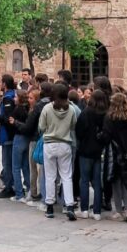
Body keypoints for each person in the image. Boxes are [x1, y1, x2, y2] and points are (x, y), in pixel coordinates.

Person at [39, 83, 77, 220]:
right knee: (66, 176)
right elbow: (73, 125)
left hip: (49, 143)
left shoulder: (47, 108)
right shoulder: (71, 109)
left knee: (50, 176)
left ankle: (49, 206)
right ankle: (69, 205)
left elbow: (41, 126)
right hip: (65, 143)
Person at [100, 93, 127, 223]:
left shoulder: (109, 118)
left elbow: (106, 136)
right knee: (125, 182)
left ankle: (118, 210)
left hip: (114, 152)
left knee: (115, 181)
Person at [75, 90, 108, 220]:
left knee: (84, 180)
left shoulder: (86, 113)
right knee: (97, 182)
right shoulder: (105, 114)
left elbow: (79, 131)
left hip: (85, 149)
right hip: (98, 150)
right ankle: (97, 211)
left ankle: (84, 209)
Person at [0, 74, 16, 198]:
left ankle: (9, 188)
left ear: (4, 84)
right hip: (9, 135)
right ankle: (11, 185)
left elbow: (7, 118)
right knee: (10, 163)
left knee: (7, 163)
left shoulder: (8, 98)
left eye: (1, 82)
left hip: (7, 135)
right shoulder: (12, 95)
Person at [9, 90, 31, 202]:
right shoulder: (28, 108)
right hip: (27, 138)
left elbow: (10, 122)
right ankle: (30, 189)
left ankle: (19, 194)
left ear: (20, 98)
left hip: (18, 137)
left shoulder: (17, 109)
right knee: (25, 166)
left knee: (16, 167)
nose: (14, 99)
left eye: (16, 97)